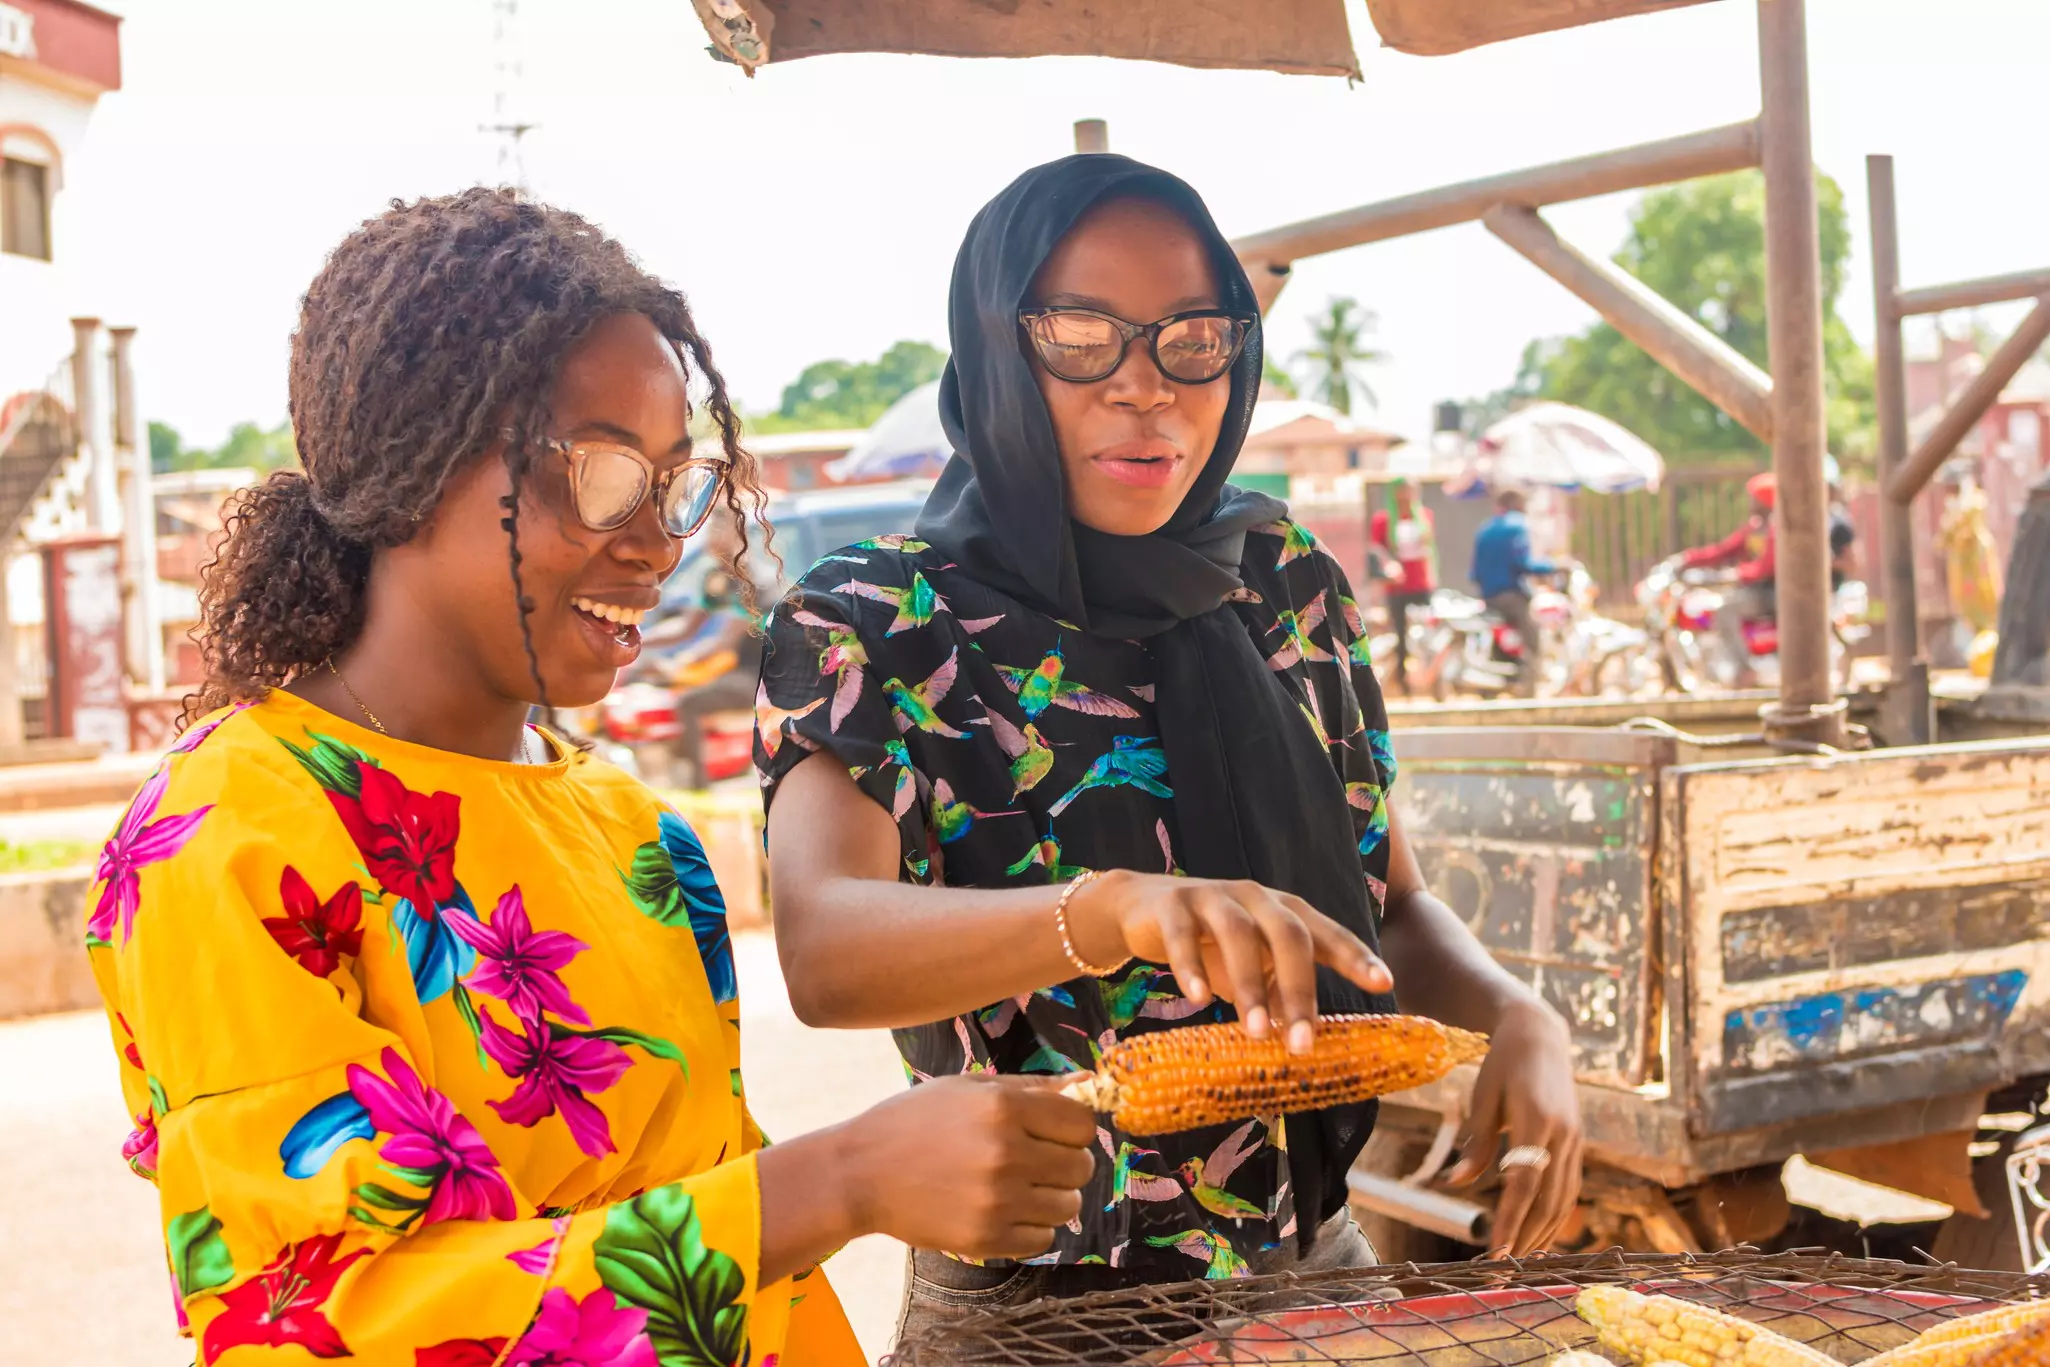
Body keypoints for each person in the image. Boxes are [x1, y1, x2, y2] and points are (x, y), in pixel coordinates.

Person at [85, 188, 1097, 1367]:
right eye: (604, 473)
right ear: (412, 459)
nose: (659, 542)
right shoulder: (228, 838)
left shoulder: (633, 830)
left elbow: (706, 1212)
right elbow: (315, 1324)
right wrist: (844, 1176)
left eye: (675, 485)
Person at [754, 156, 1582, 1341]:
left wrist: (1518, 1014)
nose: (1146, 390)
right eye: (1081, 336)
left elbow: (1384, 909)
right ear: (995, 349)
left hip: (1315, 1272)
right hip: (1040, 1313)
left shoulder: (1282, 581)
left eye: (1193, 340)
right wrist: (1107, 909)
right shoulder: (873, 620)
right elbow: (825, 943)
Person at [666, 508, 771, 788]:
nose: (709, 535)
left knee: (688, 703)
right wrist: (638, 642)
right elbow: (686, 627)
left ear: (738, 535)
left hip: (762, 677)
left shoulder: (750, 580)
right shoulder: (719, 577)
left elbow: (724, 642)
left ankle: (698, 785)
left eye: (717, 528)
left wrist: (676, 664)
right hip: (743, 671)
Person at [1681, 471, 1777, 686]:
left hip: (1770, 591)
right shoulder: (1754, 527)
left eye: (1754, 498)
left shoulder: (1776, 528)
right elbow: (1723, 550)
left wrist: (1735, 574)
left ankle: (1744, 670)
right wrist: (1688, 558)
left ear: (1765, 500)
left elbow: (1766, 567)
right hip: (1752, 588)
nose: (1750, 503)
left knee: (1726, 609)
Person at [1469, 487, 1556, 696]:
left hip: (1488, 597)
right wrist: (1550, 566)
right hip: (1512, 597)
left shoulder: (1485, 528)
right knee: (1533, 641)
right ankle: (1530, 690)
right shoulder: (1517, 526)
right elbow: (1523, 563)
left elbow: (1474, 572)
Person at [1368, 478, 1437, 696]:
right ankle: (1403, 684)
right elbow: (1377, 552)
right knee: (1400, 635)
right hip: (1397, 586)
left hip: (1421, 583)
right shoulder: (1383, 520)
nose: (1407, 495)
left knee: (1427, 633)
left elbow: (1430, 550)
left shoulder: (1424, 516)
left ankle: (1430, 682)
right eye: (1403, 490)